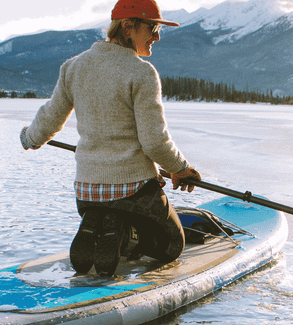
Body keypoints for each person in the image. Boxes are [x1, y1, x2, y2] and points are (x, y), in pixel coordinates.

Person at [20, 0, 202, 276]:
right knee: (172, 244)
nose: (157, 36)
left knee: (108, 209)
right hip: (134, 192)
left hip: (87, 192)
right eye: (152, 27)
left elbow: (49, 119)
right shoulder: (141, 72)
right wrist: (180, 169)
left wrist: (29, 138)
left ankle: (102, 224)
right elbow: (154, 142)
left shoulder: (73, 67)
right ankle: (125, 236)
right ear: (128, 26)